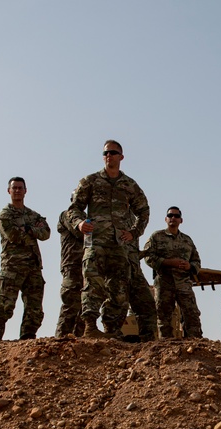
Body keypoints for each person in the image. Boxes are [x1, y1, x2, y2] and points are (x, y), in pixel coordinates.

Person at [65, 139, 153, 339]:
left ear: (121, 157)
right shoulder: (90, 181)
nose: (108, 156)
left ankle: (112, 330)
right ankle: (89, 326)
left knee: (119, 289)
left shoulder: (129, 185)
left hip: (119, 245)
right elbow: (74, 208)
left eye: (113, 153)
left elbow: (144, 210)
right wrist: (79, 223)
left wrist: (134, 232)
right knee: (93, 283)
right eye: (105, 153)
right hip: (96, 242)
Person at [0, 177, 50, 340]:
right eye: (14, 188)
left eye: (20, 188)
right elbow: (13, 235)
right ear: (9, 191)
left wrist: (27, 228)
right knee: (4, 305)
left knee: (34, 308)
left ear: (25, 191)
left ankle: (27, 339)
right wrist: (33, 230)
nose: (17, 190)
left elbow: (46, 233)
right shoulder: (5, 215)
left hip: (33, 266)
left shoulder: (33, 214)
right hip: (12, 266)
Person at [143, 206, 203, 338]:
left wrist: (189, 266)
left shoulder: (187, 240)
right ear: (166, 219)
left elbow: (197, 261)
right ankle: (166, 346)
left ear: (181, 220)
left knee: (192, 314)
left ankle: (196, 344)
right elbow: (148, 257)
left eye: (176, 216)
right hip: (164, 282)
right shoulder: (157, 237)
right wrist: (167, 262)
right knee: (163, 316)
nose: (173, 218)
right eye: (170, 216)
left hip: (184, 283)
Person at [54, 208, 85, 338]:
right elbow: (79, 232)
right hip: (71, 265)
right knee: (71, 303)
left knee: (84, 307)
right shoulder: (68, 214)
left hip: (86, 266)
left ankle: (78, 339)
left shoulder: (89, 217)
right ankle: (61, 337)